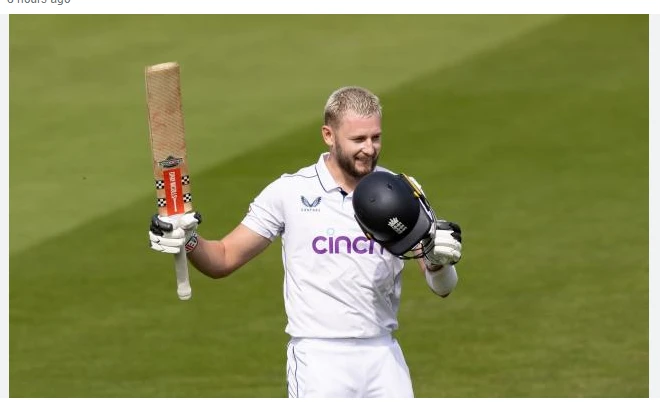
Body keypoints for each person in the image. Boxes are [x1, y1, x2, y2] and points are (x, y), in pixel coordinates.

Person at [148, 86, 464, 398]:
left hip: (384, 355)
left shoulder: (401, 191)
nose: (369, 148)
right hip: (319, 359)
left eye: (375, 137)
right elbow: (223, 258)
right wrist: (188, 240)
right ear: (329, 135)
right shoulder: (288, 193)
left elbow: (442, 286)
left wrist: (439, 262)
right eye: (358, 139)